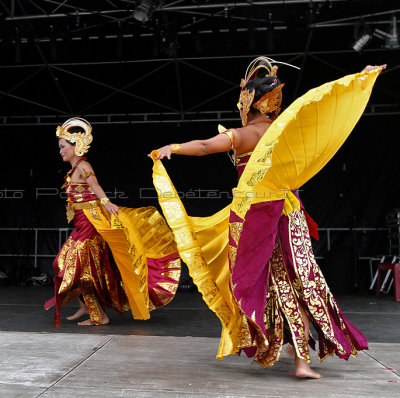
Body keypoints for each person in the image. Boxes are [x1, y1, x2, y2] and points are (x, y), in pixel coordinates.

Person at [149, 58, 385, 378]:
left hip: (259, 218)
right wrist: (362, 80)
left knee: (279, 287)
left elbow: (205, 146)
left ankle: (296, 353)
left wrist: (172, 148)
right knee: (301, 283)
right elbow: (326, 109)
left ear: (248, 103)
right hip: (289, 214)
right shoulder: (284, 131)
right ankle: (298, 354)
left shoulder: (243, 135)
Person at [45, 118, 181, 326]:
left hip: (92, 223)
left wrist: (107, 203)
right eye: (60, 147)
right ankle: (86, 306)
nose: (61, 151)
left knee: (79, 269)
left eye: (63, 147)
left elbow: (94, 184)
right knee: (64, 265)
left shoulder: (84, 166)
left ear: (76, 146)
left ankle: (98, 315)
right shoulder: (73, 170)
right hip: (81, 224)